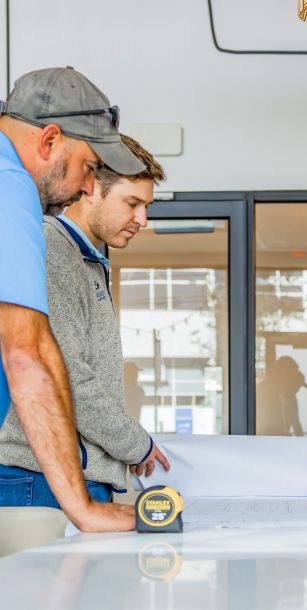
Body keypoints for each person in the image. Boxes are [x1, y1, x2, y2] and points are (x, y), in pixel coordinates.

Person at [0, 66, 144, 531]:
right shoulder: (10, 185)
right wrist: (80, 506)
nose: (87, 188)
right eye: (87, 168)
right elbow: (28, 355)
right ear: (49, 141)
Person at [256, 356, 307, 436]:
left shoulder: (290, 396)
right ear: (283, 375)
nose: (297, 390)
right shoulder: (263, 391)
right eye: (292, 376)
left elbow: (296, 424)